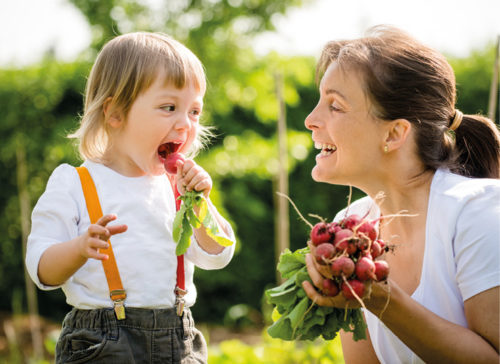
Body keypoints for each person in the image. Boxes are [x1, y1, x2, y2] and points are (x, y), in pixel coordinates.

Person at [25, 32, 236, 363]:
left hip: (178, 340)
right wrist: (79, 249)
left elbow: (218, 255)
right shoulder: (75, 183)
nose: (185, 124)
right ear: (115, 113)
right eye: (169, 107)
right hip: (100, 342)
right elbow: (41, 269)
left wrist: (201, 205)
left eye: (194, 111)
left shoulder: (177, 188)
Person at [301, 25, 500, 363]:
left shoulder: (478, 211)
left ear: (394, 133)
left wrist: (382, 300)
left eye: (335, 105)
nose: (310, 120)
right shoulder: (350, 228)